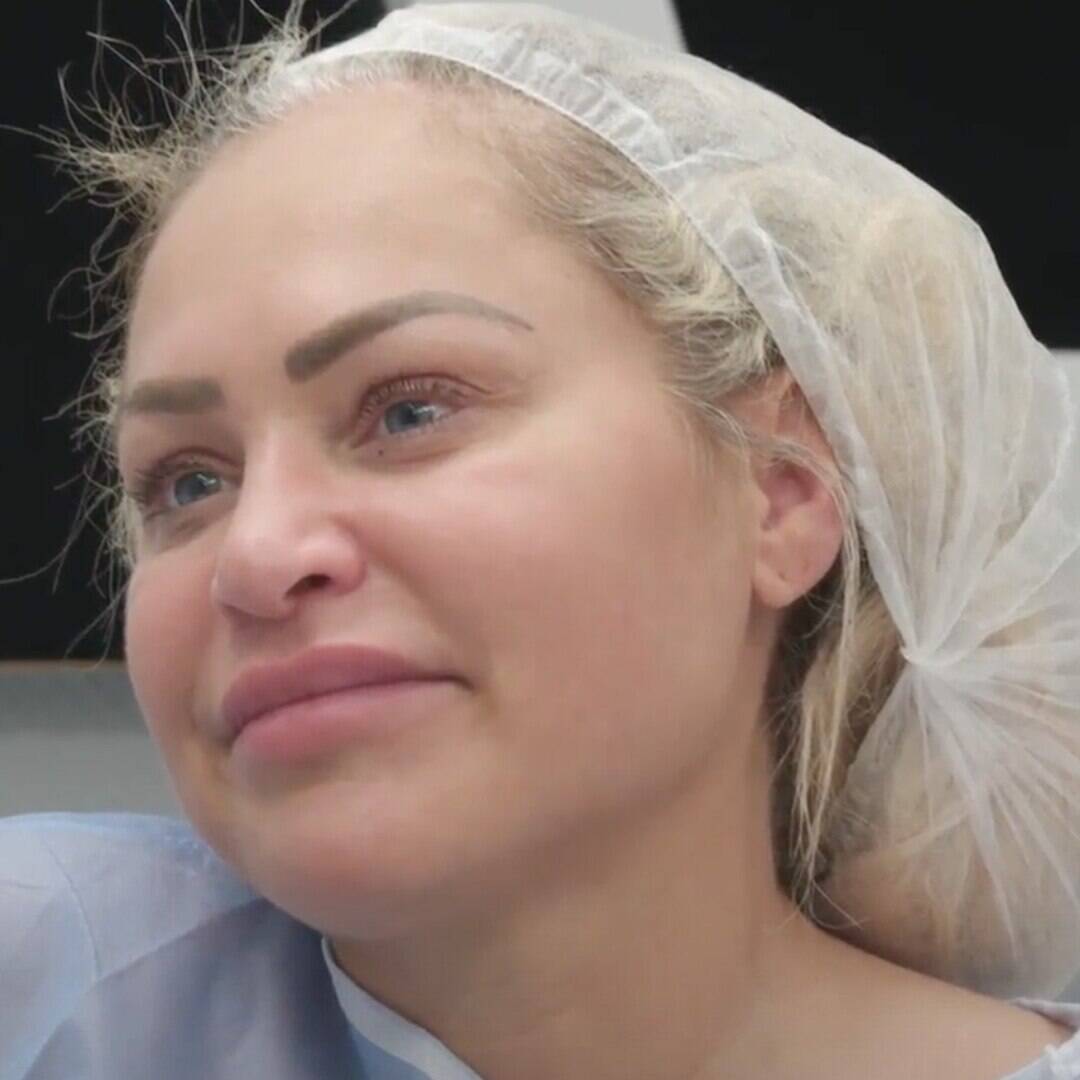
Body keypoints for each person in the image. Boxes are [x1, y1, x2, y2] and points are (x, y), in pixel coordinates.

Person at [3, 2, 1080, 1077]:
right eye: (188, 483)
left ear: (783, 492)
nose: (254, 555)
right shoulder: (54, 992)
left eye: (410, 410)